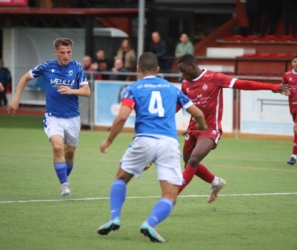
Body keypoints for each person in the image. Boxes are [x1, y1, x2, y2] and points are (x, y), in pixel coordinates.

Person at [97, 52, 206, 242]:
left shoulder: (133, 88)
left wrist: (109, 140)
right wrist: (202, 126)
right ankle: (150, 223)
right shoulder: (172, 89)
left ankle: (114, 217)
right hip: (169, 144)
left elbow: (122, 117)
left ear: (138, 69)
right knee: (170, 195)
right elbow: (197, 113)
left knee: (121, 179)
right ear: (157, 70)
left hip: (144, 140)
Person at [176, 54, 290, 203]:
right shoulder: (185, 83)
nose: (182, 75)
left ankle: (171, 195)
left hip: (211, 127)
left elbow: (243, 84)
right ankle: (216, 182)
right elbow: (180, 103)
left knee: (193, 160)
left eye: (183, 71)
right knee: (189, 164)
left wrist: (273, 87)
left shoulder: (214, 78)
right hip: (193, 129)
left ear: (192, 66)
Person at [7, 38, 91, 197]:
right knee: (57, 147)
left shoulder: (77, 67)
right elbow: (25, 77)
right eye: (62, 52)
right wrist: (16, 99)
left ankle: (64, 178)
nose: (66, 55)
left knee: (70, 153)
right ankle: (65, 185)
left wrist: (71, 90)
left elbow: (87, 91)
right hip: (53, 116)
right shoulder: (46, 67)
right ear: (56, 53)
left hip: (73, 117)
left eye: (69, 52)